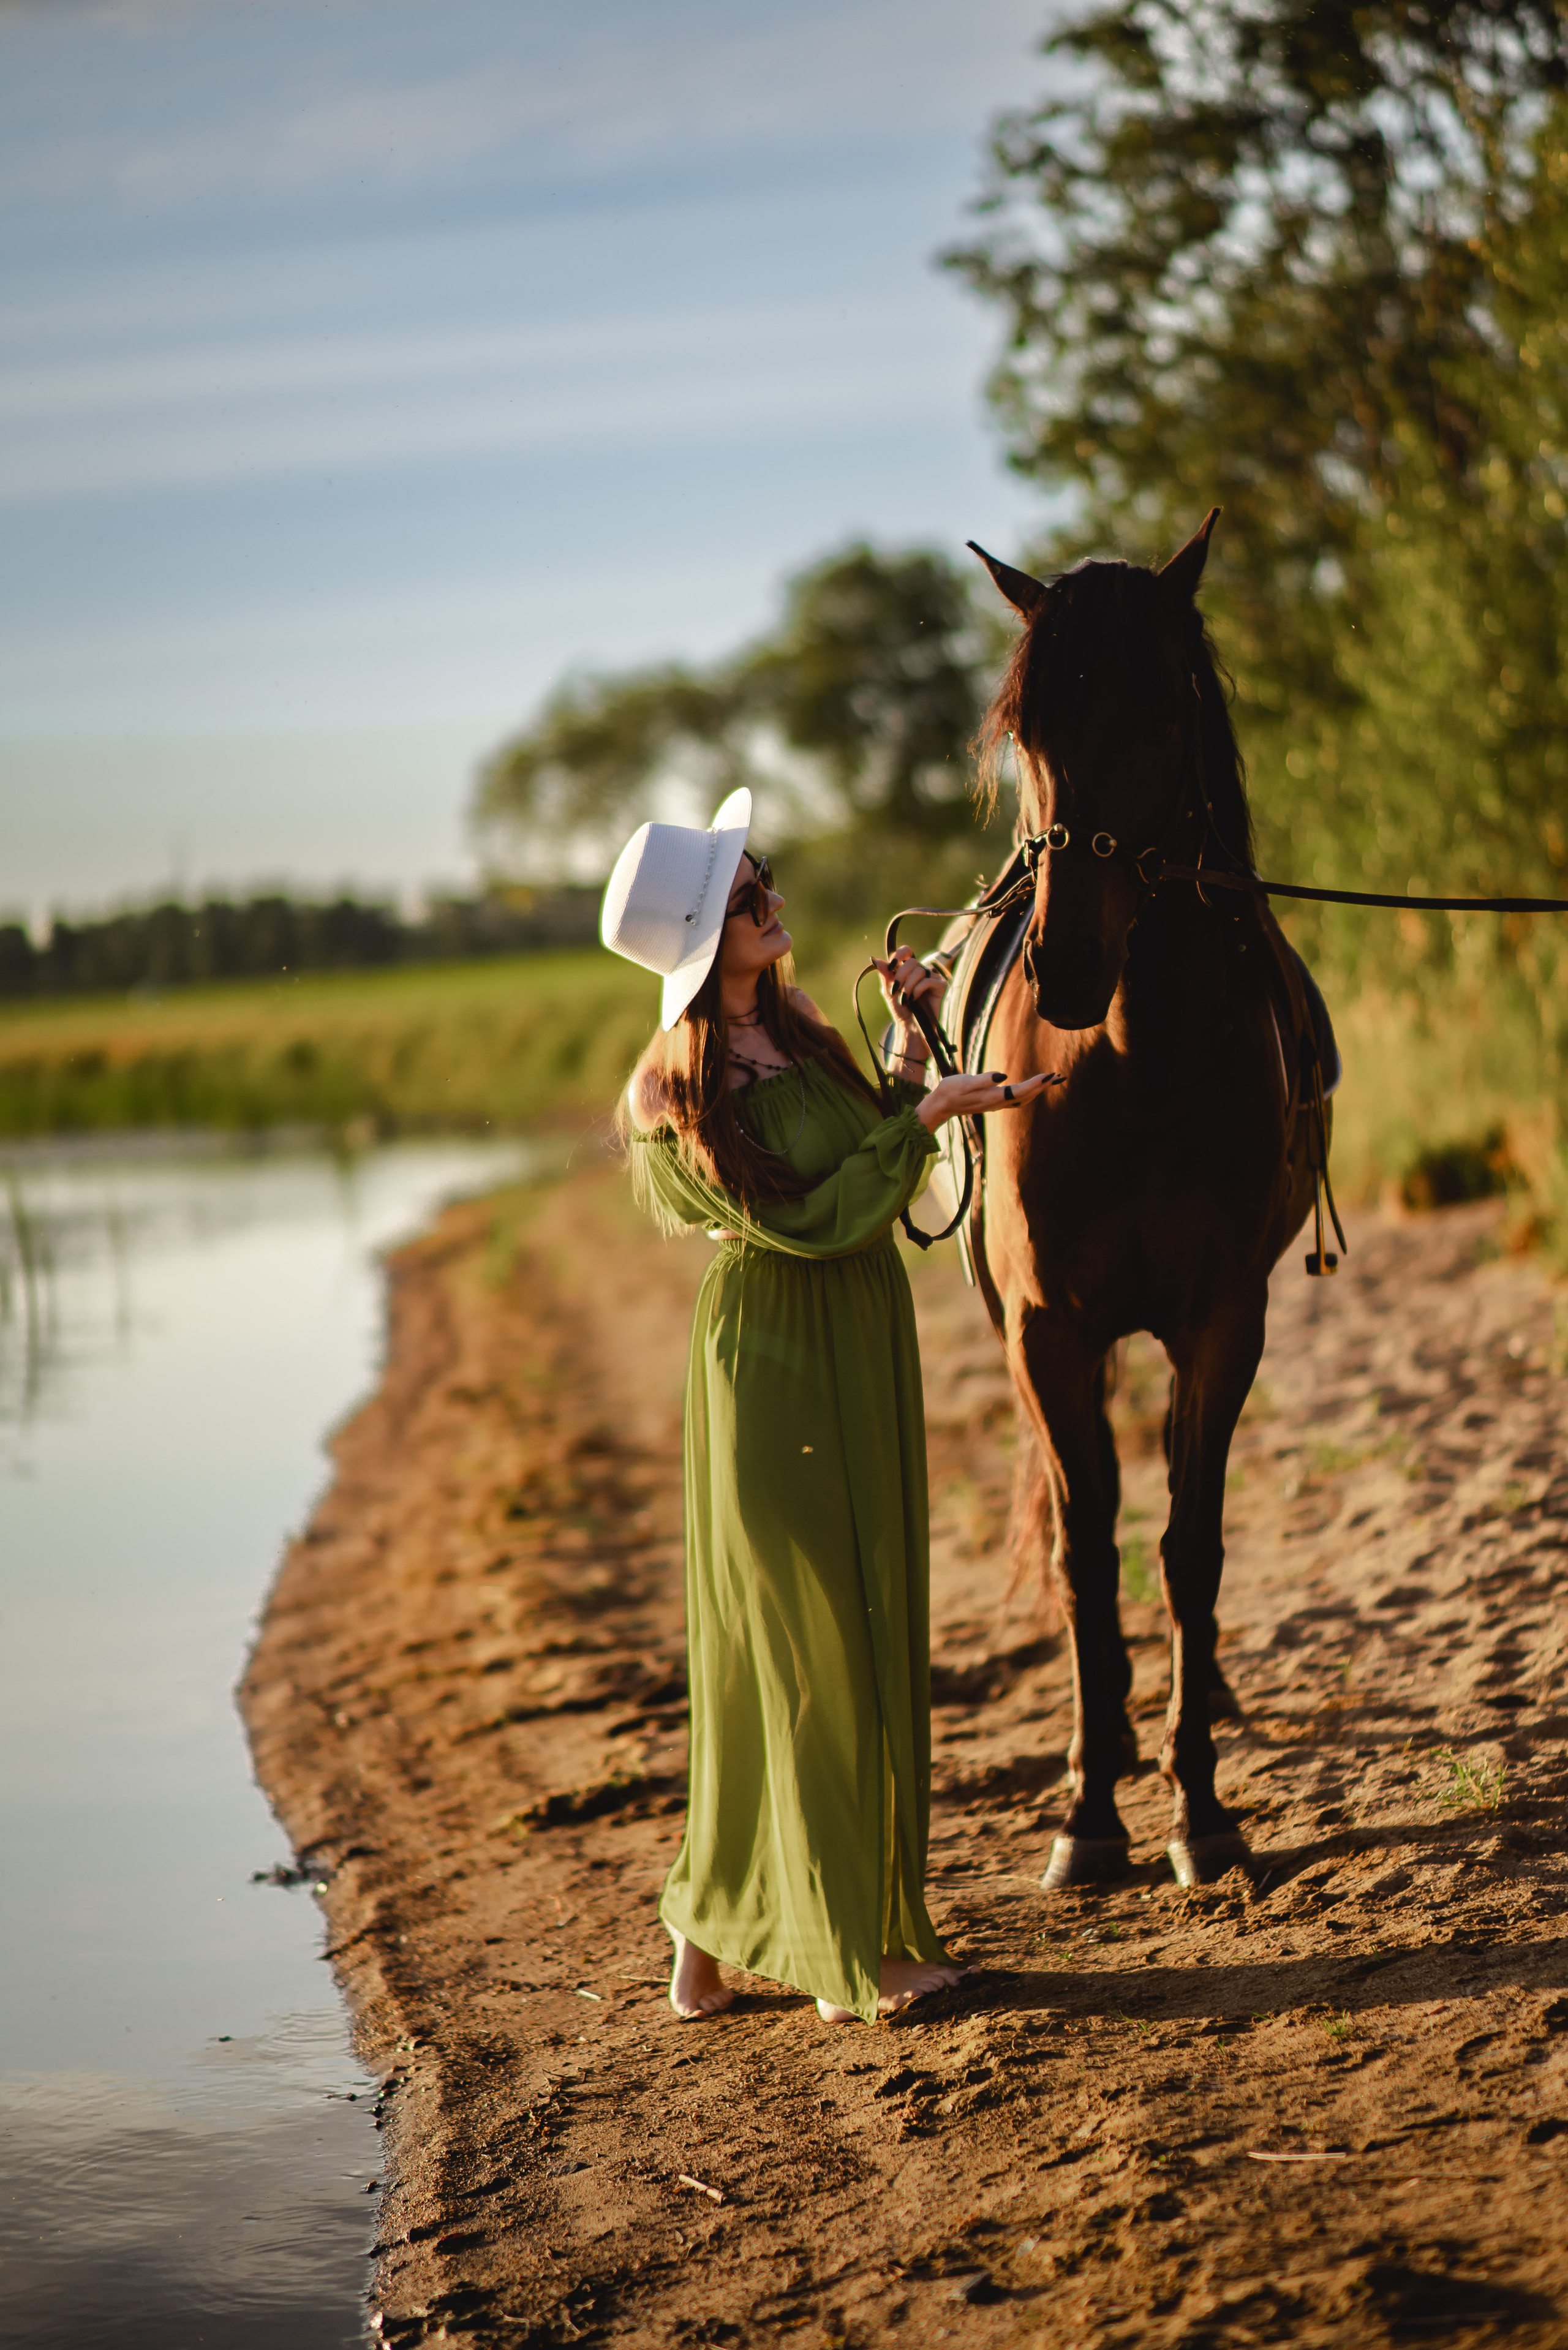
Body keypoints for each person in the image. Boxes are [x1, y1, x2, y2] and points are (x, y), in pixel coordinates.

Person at [600, 789, 1049, 2023]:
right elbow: (803, 1221)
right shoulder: (666, 1091)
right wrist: (925, 1120)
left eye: (764, 879)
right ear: (709, 935)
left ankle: (705, 1934)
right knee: (803, 1644)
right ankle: (850, 1953)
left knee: (840, 1624)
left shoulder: (797, 1025)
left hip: (857, 1331)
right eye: (752, 894)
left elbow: (867, 1154)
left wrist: (909, 1054)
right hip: (771, 1357)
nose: (776, 900)